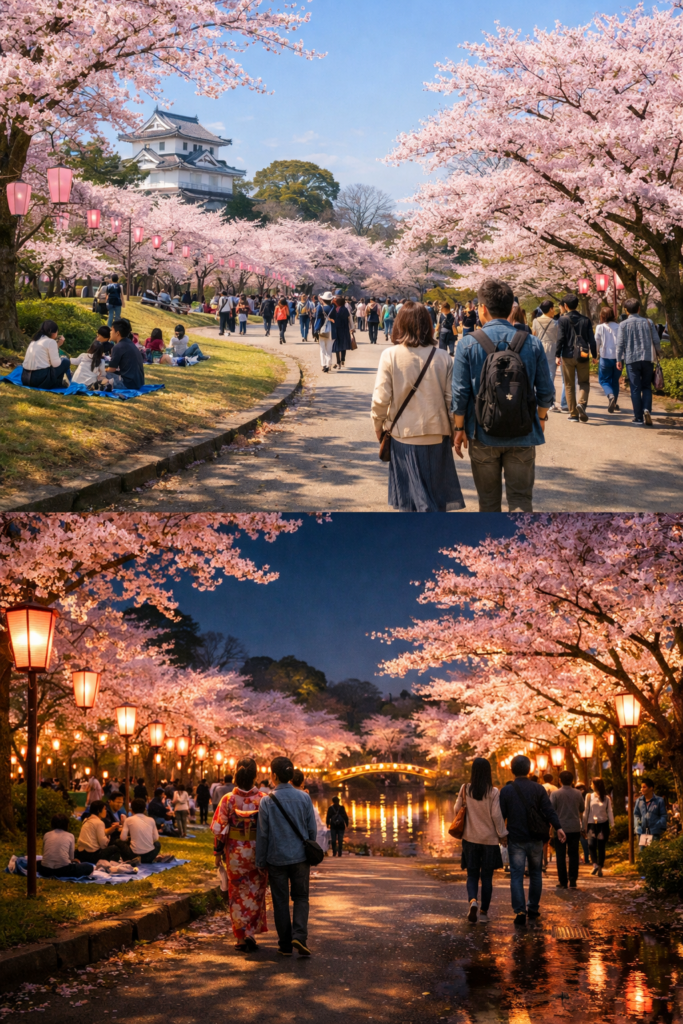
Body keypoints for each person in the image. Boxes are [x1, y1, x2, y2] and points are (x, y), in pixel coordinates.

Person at [451, 278, 555, 513]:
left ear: (483, 308)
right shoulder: (532, 343)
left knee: (488, 504)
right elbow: (546, 391)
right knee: (520, 502)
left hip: (482, 432)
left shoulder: (467, 344)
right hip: (523, 433)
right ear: (511, 309)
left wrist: (459, 429)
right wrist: (541, 418)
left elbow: (460, 393)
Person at [372, 302, 464, 513]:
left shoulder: (390, 355)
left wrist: (378, 425)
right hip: (437, 435)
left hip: (403, 436)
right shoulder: (443, 357)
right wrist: (454, 430)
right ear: (428, 324)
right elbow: (452, 401)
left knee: (409, 504)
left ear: (399, 324)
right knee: (435, 502)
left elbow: (380, 399)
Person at [255, 756, 317, 957]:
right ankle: (299, 935)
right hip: (300, 857)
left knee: (280, 900)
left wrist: (260, 861)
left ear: (273, 775)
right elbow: (311, 830)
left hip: (276, 858)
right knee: (301, 897)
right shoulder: (305, 798)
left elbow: (263, 834)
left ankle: (284, 944)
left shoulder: (267, 801)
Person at [499, 755, 566, 926]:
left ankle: (520, 910)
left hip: (516, 838)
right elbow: (548, 810)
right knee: (536, 872)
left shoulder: (506, 791)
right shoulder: (538, 789)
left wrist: (501, 835)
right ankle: (533, 908)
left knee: (516, 874)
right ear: (529, 769)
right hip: (536, 837)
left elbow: (501, 816)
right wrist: (558, 827)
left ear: (512, 770)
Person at [212, 757, 268, 952]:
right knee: (255, 892)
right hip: (257, 851)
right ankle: (251, 932)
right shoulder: (262, 799)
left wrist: (217, 853)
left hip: (235, 853)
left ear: (236, 773)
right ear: (255, 776)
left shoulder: (227, 799)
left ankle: (241, 938)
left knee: (236, 894)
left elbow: (219, 829)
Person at [454, 757, 508, 924]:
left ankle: (473, 901)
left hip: (470, 839)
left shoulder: (465, 789)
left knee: (471, 874)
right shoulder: (493, 792)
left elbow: (457, 809)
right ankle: (484, 913)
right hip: (489, 841)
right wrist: (502, 834)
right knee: (486, 877)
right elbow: (496, 815)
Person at [616, 298, 662, 427]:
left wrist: (618, 359)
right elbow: (656, 340)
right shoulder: (648, 322)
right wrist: (659, 353)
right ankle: (646, 409)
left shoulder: (623, 325)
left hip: (632, 360)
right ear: (639, 308)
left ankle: (638, 417)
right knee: (646, 386)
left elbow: (619, 344)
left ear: (626, 310)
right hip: (648, 358)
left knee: (635, 388)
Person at [555, 293, 597, 422]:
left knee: (569, 385)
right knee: (584, 382)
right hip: (583, 355)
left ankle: (573, 414)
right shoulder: (586, 320)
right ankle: (582, 403)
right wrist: (594, 355)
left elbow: (560, 338)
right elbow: (592, 340)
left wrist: (557, 355)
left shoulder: (562, 320)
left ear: (565, 306)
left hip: (568, 355)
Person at [549, 771, 585, 889]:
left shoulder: (555, 794)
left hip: (560, 828)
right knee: (574, 854)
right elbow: (582, 808)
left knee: (560, 855)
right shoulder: (578, 793)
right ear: (572, 780)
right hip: (574, 827)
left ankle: (563, 881)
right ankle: (573, 879)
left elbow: (551, 810)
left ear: (560, 780)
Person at [21, 320, 71, 390]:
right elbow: (56, 364)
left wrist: (58, 345)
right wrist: (61, 358)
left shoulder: (34, 340)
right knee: (65, 361)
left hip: (25, 378)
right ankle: (58, 383)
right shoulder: (51, 342)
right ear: (53, 332)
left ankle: (58, 382)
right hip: (39, 380)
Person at [531, 300, 561, 412]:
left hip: (539, 346)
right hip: (552, 348)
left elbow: (533, 335)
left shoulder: (535, 321)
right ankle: (551, 402)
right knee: (551, 375)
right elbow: (558, 337)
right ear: (551, 309)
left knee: (538, 373)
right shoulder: (555, 323)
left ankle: (538, 399)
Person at [583, 777, 614, 876]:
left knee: (601, 846)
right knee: (591, 844)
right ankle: (595, 864)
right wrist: (583, 825)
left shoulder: (606, 798)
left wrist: (612, 825)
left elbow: (609, 811)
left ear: (596, 785)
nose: (591, 785)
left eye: (592, 783)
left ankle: (600, 866)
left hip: (603, 824)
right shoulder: (589, 796)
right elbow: (586, 811)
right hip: (592, 824)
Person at [595, 307, 622, 413]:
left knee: (604, 380)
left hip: (605, 357)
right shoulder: (619, 327)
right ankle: (614, 402)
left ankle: (610, 396)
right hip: (618, 358)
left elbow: (597, 342)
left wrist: (595, 355)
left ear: (601, 316)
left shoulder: (600, 327)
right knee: (615, 381)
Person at [106, 319, 145, 390]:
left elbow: (111, 369)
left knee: (100, 374)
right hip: (139, 382)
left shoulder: (118, 347)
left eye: (111, 330)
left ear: (117, 333)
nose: (110, 332)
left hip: (127, 384)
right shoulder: (130, 344)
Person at [120, 799, 162, 863]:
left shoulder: (128, 820)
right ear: (145, 809)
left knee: (119, 842)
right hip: (149, 856)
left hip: (133, 855)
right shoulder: (151, 820)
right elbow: (156, 838)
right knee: (157, 844)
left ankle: (130, 859)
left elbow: (122, 838)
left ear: (131, 810)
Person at [634, 777, 667, 843]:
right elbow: (636, 814)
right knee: (642, 852)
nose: (641, 789)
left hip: (654, 832)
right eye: (641, 787)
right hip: (642, 832)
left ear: (651, 788)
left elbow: (663, 815)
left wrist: (658, 825)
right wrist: (638, 824)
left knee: (653, 852)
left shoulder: (659, 801)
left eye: (644, 787)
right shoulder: (639, 801)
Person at [328, 295, 355, 369]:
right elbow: (350, 319)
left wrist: (352, 328)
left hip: (341, 329)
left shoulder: (339, 309)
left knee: (341, 345)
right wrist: (352, 327)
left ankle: (341, 360)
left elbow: (350, 319)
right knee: (339, 345)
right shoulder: (343, 309)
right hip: (342, 329)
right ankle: (339, 361)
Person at [316, 292, 335, 372]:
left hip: (322, 329)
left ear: (323, 299)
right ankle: (328, 364)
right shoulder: (333, 308)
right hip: (332, 330)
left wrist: (315, 330)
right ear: (331, 299)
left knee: (322, 348)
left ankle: (324, 365)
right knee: (329, 349)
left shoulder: (320, 307)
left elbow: (317, 319)